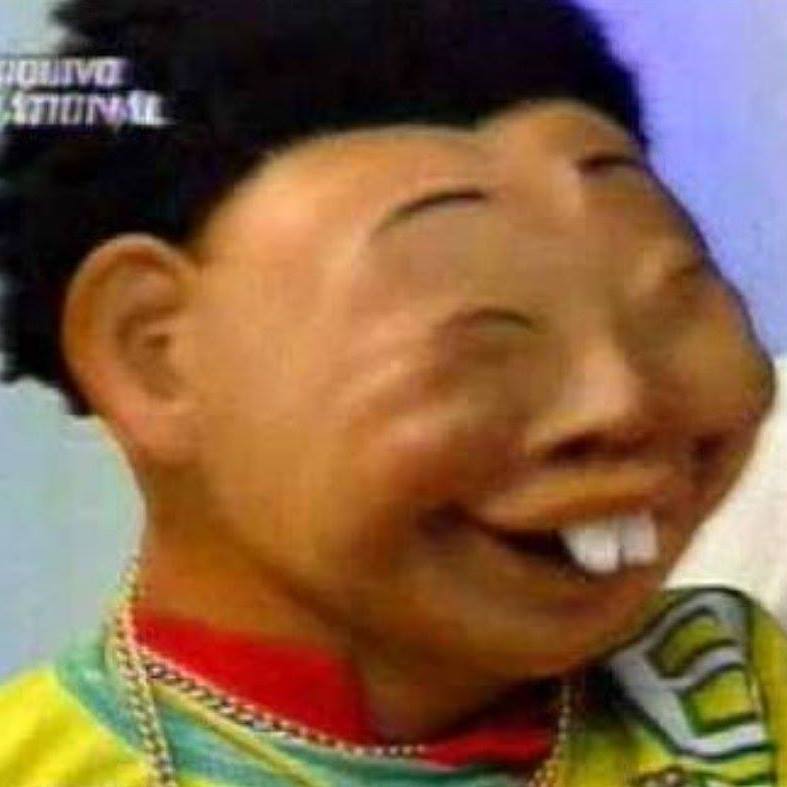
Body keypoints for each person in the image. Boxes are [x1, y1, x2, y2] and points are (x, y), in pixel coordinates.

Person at [0, 0, 784, 785]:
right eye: (485, 345)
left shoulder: (735, 679)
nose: (622, 401)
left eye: (665, 311)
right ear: (156, 355)